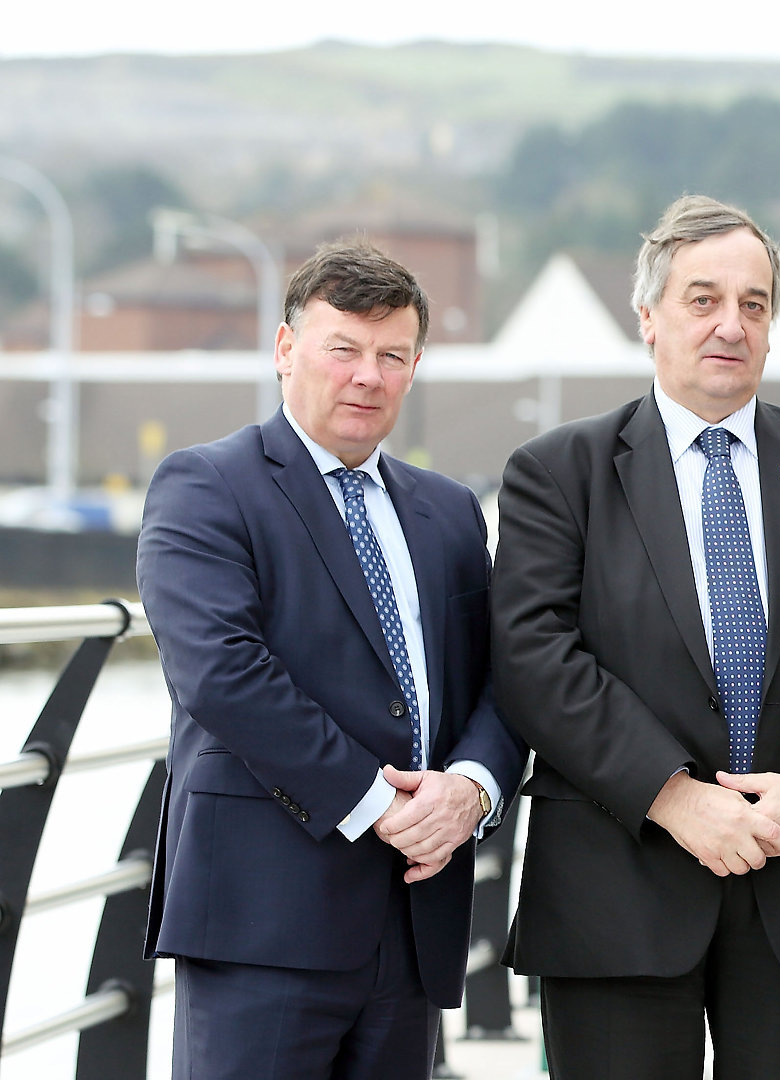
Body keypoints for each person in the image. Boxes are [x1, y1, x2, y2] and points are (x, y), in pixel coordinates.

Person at [491, 194, 780, 1080]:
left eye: (755, 303)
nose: (730, 324)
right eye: (703, 299)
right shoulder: (557, 475)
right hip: (618, 892)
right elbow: (534, 660)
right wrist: (673, 796)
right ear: (649, 317)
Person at [137, 241, 527, 1079]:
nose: (368, 376)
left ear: (415, 368)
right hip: (262, 920)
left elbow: (506, 675)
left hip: (416, 916)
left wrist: (473, 788)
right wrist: (373, 801)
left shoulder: (452, 513)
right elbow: (220, 671)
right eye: (343, 348)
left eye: (392, 356)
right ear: (285, 351)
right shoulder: (207, 486)